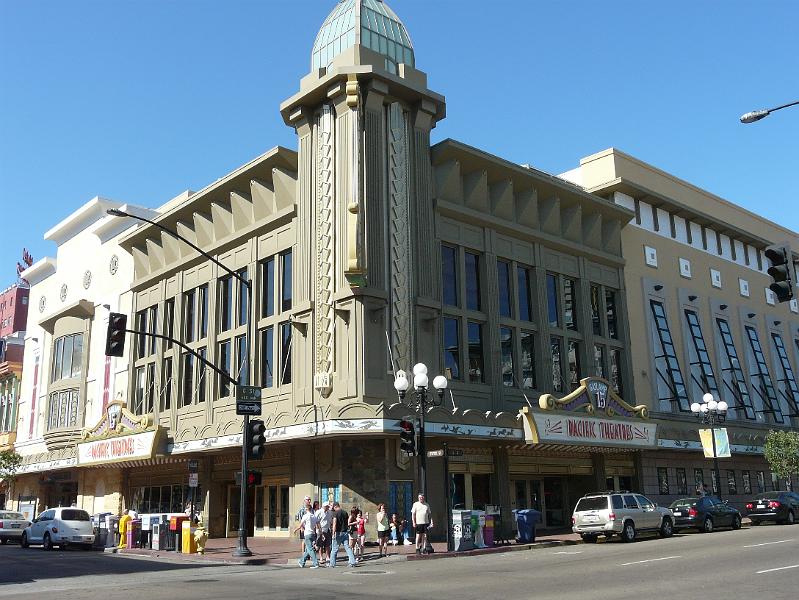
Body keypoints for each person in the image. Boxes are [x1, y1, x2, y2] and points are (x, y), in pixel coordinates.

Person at [330, 501, 356, 568]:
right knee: (347, 548)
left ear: (335, 506)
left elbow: (334, 524)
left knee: (334, 549)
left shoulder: (335, 513)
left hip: (338, 533)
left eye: (333, 507)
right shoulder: (345, 512)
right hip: (345, 532)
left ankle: (332, 564)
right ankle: (352, 562)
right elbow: (347, 523)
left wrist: (333, 533)